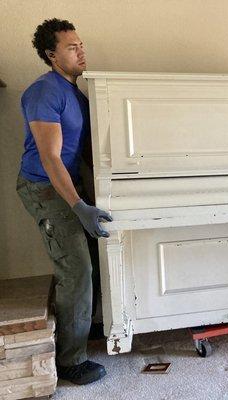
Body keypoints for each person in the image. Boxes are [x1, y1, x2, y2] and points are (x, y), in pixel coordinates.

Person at [16, 18, 111, 385]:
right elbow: (51, 158)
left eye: (81, 44)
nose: (81, 50)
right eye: (72, 47)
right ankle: (71, 360)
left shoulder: (77, 93)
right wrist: (78, 206)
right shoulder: (44, 92)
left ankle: (86, 329)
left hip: (67, 184)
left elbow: (85, 152)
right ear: (51, 55)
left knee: (93, 261)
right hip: (43, 188)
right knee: (76, 270)